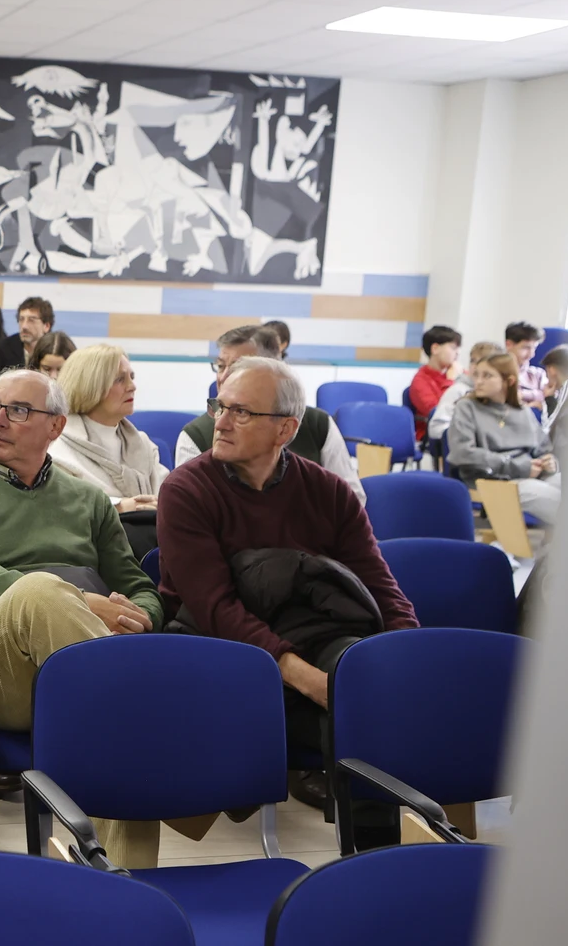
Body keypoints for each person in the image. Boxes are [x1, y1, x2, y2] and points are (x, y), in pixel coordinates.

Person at [154, 356, 418, 834]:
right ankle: (368, 854)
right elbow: (214, 607)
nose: (222, 421)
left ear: (285, 430)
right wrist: (302, 676)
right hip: (219, 644)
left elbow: (381, 588)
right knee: (348, 701)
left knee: (364, 677)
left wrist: (403, 656)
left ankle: (370, 864)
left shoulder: (329, 492)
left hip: (317, 633)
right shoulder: (186, 489)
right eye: (220, 406)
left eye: (242, 412)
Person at [0, 369, 160, 864]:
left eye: (19, 410)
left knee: (114, 734)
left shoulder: (88, 499)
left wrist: (143, 616)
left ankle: (123, 884)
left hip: (79, 662)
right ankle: (167, 762)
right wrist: (83, 602)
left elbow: (137, 585)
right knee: (39, 590)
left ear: (56, 427)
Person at [176, 325, 366, 504]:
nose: (224, 377)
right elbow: (190, 507)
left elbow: (351, 499)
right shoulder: (195, 435)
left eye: (238, 368)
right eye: (220, 366)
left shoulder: (318, 425)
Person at [447, 352, 562, 524]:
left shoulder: (522, 411)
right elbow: (462, 453)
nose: (478, 381)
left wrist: (549, 462)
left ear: (509, 381)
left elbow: (543, 449)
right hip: (493, 480)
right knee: (560, 503)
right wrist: (518, 467)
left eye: (487, 376)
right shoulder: (466, 407)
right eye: (477, 374)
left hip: (531, 474)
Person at [51, 344, 167, 511]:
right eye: (120, 379)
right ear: (90, 387)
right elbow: (64, 510)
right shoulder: (58, 451)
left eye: (132, 377)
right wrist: (119, 507)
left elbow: (169, 497)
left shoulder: (143, 444)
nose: (132, 386)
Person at [427, 341, 505, 443]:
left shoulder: (498, 395)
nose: (475, 366)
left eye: (482, 362)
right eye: (472, 361)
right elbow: (436, 429)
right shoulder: (458, 391)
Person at [407, 325, 463, 440]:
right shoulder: (420, 381)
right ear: (435, 349)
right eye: (453, 348)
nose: (458, 353)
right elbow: (438, 412)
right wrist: (450, 382)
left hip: (460, 427)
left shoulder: (459, 373)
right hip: (435, 435)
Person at [0, 296, 52, 371]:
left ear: (46, 326)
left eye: (31, 320)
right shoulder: (1, 349)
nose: (24, 326)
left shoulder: (57, 349)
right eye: (21, 319)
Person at [505, 321, 545, 408]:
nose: (531, 354)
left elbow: (548, 395)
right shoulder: (497, 373)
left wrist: (522, 395)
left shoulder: (538, 374)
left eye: (534, 348)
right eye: (526, 348)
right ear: (509, 345)